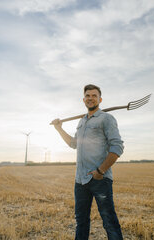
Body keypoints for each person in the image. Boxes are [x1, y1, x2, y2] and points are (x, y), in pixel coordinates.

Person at [52, 84, 124, 240]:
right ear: (83, 99)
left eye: (94, 96)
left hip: (100, 179)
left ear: (100, 99)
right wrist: (59, 129)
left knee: (109, 221)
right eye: (88, 96)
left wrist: (100, 171)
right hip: (80, 181)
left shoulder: (106, 118)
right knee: (81, 222)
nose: (90, 98)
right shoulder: (82, 121)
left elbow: (117, 147)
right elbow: (73, 144)